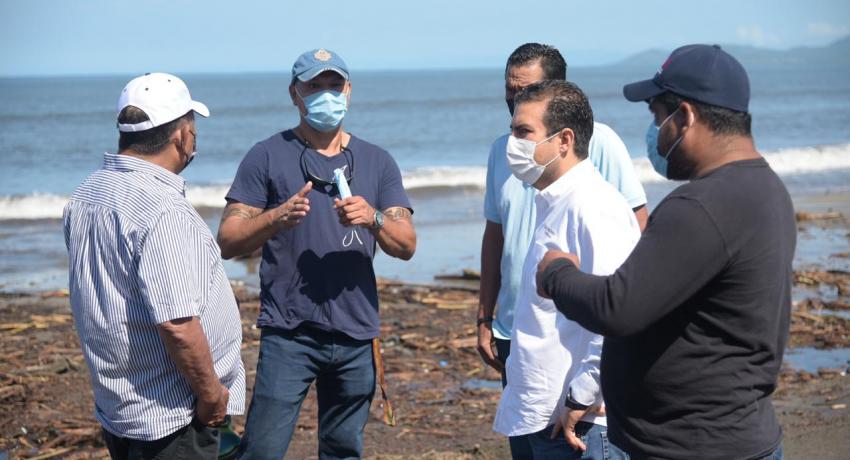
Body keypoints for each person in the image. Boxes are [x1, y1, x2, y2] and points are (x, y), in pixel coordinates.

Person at [536, 44, 794, 460]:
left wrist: (556, 273)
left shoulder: (701, 206)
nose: (656, 132)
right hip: (737, 433)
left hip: (695, 444)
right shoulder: (767, 189)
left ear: (686, 116)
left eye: (658, 117)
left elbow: (617, 308)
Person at [219, 49, 416, 459]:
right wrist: (276, 217)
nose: (326, 94)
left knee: (343, 450)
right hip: (289, 333)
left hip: (357, 335)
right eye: (314, 86)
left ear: (349, 91)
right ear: (295, 94)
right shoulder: (266, 155)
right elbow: (228, 238)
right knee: (262, 450)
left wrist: (374, 217)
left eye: (334, 85)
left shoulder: (377, 161)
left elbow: (407, 245)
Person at [476, 43, 648, 459]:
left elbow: (617, 311)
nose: (512, 142)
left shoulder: (593, 203)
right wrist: (487, 315)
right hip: (539, 397)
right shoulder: (547, 196)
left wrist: (584, 395)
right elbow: (495, 234)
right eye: (513, 122)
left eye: (524, 132)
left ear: (565, 139)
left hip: (578, 417)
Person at [63, 73, 245, 459]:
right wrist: (211, 394)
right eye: (193, 127)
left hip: (121, 405)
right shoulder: (162, 210)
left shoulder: (87, 194)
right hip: (170, 415)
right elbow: (177, 324)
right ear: (181, 135)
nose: (194, 137)